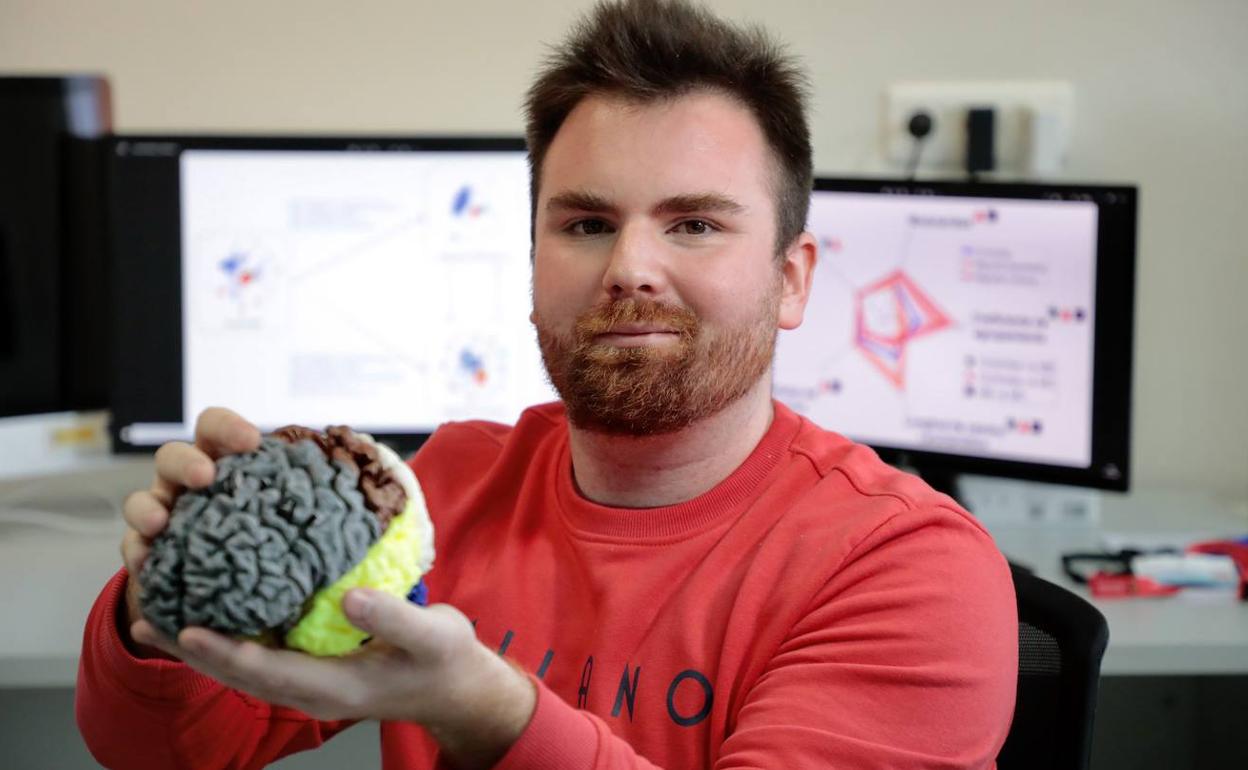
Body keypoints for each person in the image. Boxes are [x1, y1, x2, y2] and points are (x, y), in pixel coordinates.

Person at [76, 0, 1018, 767]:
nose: (630, 267)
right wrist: (165, 601)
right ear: (530, 255)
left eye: (693, 224)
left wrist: (491, 712)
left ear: (793, 278)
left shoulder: (910, 568)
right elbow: (158, 749)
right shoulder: (442, 488)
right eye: (585, 224)